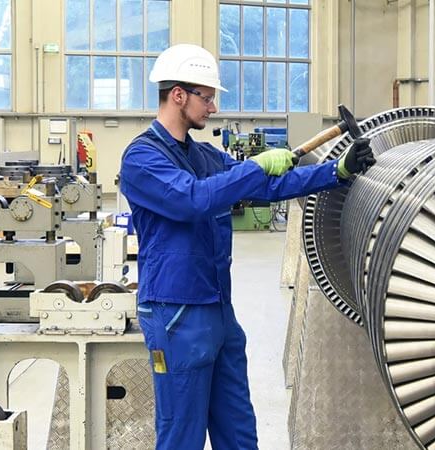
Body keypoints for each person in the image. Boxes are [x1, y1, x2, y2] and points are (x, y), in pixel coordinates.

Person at [118, 44, 376, 449]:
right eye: (207, 97)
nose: (213, 107)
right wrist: (255, 167)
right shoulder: (142, 159)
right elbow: (192, 200)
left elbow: (268, 185)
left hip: (218, 309)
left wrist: (336, 171)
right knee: (181, 435)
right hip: (176, 313)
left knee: (238, 431)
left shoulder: (204, 155)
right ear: (179, 95)